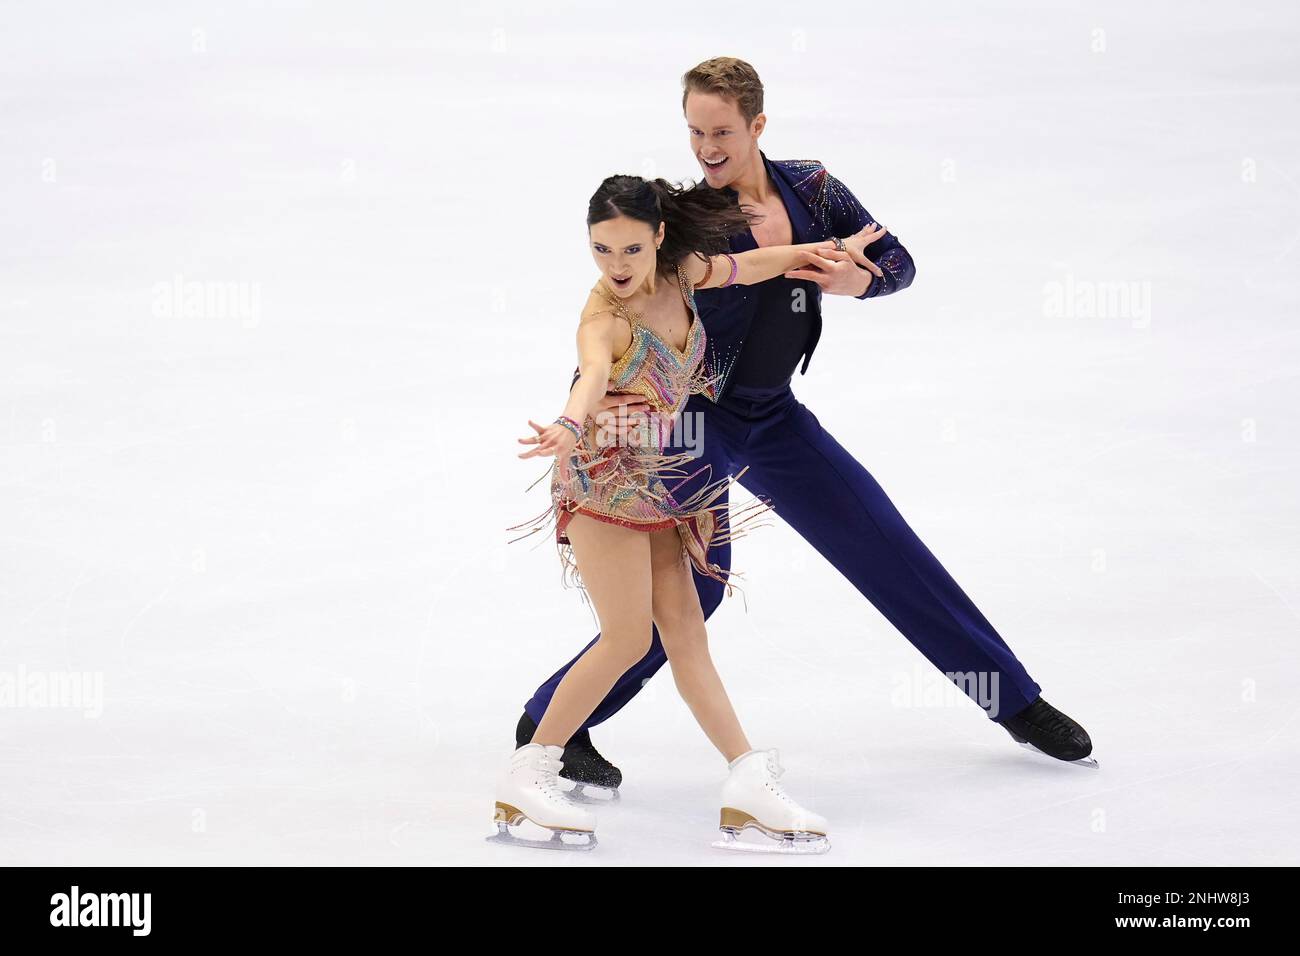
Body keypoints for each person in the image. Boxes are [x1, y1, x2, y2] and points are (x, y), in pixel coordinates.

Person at [514, 57, 1097, 799]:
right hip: (696, 424)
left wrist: (864, 278)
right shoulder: (688, 220)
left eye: (721, 131)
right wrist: (585, 411)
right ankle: (548, 729)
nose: (707, 148)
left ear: (758, 125)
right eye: (694, 132)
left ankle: (1015, 701)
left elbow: (896, 256)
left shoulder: (814, 188)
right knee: (698, 594)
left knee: (882, 542)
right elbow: (617, 311)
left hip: (775, 418)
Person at [493, 174, 881, 853]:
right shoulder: (604, 319)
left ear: (660, 240)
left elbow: (748, 266)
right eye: (601, 250)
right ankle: (529, 772)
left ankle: (746, 784)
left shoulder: (684, 272)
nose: (617, 267)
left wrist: (820, 248)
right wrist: (566, 421)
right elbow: (590, 373)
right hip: (603, 484)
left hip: (662, 484)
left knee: (686, 633)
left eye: (631, 249)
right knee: (625, 640)